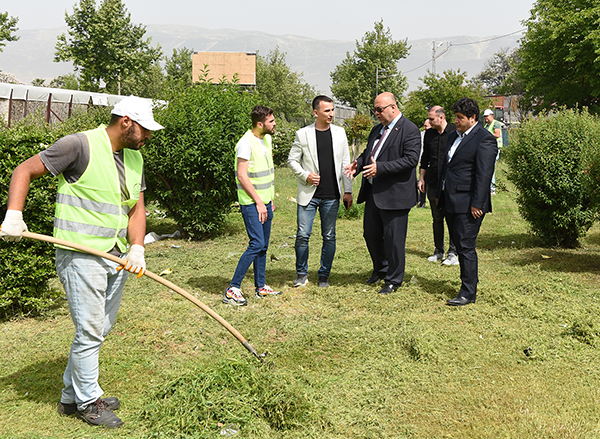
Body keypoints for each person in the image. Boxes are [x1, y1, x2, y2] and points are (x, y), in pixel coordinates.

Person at [0, 96, 163, 428]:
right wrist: (14, 215)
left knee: (100, 329)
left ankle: (70, 397)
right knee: (89, 330)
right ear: (127, 122)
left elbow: (135, 208)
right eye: (145, 130)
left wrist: (137, 249)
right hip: (80, 254)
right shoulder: (79, 145)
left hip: (115, 256)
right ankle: (89, 401)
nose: (148, 137)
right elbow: (24, 170)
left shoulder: (135, 158)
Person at [344, 92, 421, 295]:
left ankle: (394, 279)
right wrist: (358, 165)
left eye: (380, 109)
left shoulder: (409, 129)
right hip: (373, 193)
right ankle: (380, 269)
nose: (376, 113)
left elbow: (411, 160)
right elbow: (369, 153)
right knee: (371, 234)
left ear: (393, 107)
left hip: (395, 195)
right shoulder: (377, 129)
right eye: (374, 109)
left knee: (394, 239)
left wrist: (381, 168)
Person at [436, 98, 498, 306]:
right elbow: (447, 167)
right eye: (455, 117)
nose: (456, 121)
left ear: (473, 118)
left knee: (465, 246)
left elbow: (484, 175)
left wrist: (477, 204)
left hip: (469, 203)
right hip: (450, 199)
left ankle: (468, 292)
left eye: (460, 118)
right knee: (459, 244)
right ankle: (467, 285)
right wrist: (440, 193)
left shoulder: (485, 139)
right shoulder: (455, 135)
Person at [287, 95, 353, 288]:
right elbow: (292, 161)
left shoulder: (340, 133)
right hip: (309, 195)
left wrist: (347, 191)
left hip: (332, 195)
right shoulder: (302, 134)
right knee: (302, 235)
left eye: (332, 110)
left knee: (329, 236)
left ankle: (324, 275)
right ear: (316, 113)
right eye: (327, 110)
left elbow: (345, 164)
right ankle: (301, 273)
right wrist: (305, 174)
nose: (331, 114)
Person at [224, 105, 281, 306]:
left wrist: (269, 200)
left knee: (263, 247)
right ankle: (233, 288)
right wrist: (258, 202)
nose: (275, 124)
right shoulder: (245, 143)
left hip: (265, 202)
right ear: (260, 124)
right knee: (256, 244)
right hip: (251, 203)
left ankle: (261, 287)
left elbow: (266, 171)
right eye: (271, 121)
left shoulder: (267, 139)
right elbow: (242, 175)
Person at [418, 106, 458, 266]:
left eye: (432, 119)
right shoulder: (429, 134)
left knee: (451, 217)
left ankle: (453, 252)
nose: (429, 121)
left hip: (450, 182)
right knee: (436, 218)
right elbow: (425, 158)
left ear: (441, 117)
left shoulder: (455, 132)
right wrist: (421, 178)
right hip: (433, 181)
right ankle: (438, 251)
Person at [483, 109, 503, 194]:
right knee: (487, 168)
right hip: (488, 149)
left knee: (490, 168)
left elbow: (497, 134)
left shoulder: (496, 123)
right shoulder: (486, 125)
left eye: (487, 116)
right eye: (484, 117)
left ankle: (492, 189)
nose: (485, 118)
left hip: (494, 149)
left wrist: (486, 134)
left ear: (491, 115)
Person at [417, 119, 431, 208]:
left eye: (427, 126)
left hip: (431, 165)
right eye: (424, 126)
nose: (425, 128)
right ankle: (422, 201)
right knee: (422, 183)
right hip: (422, 164)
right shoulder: (421, 135)